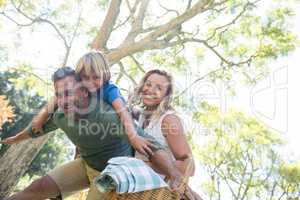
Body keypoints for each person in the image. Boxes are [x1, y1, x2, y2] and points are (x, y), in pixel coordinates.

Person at [0, 67, 182, 200]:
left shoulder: (108, 116)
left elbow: (153, 147)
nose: (64, 100)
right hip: (87, 165)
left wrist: (175, 176)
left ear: (85, 91)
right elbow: (35, 131)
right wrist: (16, 139)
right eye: (59, 95)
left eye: (69, 93)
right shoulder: (60, 117)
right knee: (37, 187)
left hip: (112, 175)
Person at [31, 51, 153, 157]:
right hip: (92, 129)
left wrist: (133, 137)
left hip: (123, 124)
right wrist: (40, 120)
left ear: (105, 75)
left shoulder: (110, 90)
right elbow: (56, 100)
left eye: (95, 77)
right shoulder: (78, 88)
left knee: (132, 114)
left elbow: (123, 112)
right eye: (85, 77)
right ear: (79, 77)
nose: (90, 82)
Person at [130, 69, 200, 199]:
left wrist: (146, 166)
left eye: (159, 88)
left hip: (165, 194)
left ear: (165, 96)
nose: (150, 90)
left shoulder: (168, 120)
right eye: (148, 84)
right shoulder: (140, 118)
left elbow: (190, 166)